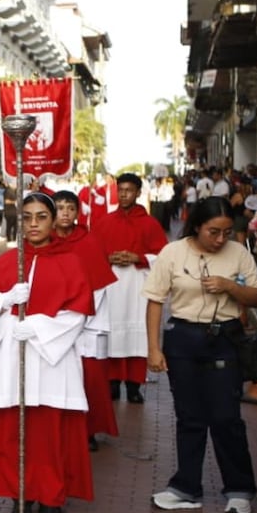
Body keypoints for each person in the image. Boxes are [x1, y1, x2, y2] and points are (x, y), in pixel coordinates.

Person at [0, 193, 94, 513]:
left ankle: (52, 499)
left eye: (41, 217)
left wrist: (37, 327)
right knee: (15, 430)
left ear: (54, 221)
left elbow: (78, 314)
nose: (34, 224)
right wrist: (5, 302)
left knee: (51, 433)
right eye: (27, 217)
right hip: (13, 356)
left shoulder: (70, 261)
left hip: (53, 360)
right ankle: (19, 496)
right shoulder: (5, 263)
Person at [144, 197, 257, 513]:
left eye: (226, 232)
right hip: (182, 338)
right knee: (189, 417)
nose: (220, 239)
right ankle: (186, 487)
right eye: (213, 232)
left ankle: (239, 488)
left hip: (224, 337)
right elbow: (155, 300)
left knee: (226, 416)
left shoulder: (238, 253)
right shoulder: (173, 252)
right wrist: (154, 348)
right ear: (197, 225)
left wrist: (229, 287)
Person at [92, 173, 168, 404]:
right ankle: (112, 382)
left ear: (138, 193)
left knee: (138, 334)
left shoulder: (150, 223)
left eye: (129, 190)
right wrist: (109, 257)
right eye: (121, 190)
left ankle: (135, 385)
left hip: (137, 283)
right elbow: (91, 252)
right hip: (111, 283)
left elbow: (164, 257)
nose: (124, 194)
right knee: (112, 332)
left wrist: (139, 257)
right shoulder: (104, 222)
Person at [52, 190, 119, 451]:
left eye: (70, 208)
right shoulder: (44, 241)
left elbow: (99, 283)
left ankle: (88, 429)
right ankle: (61, 428)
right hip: (54, 323)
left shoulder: (89, 241)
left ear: (78, 212)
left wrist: (77, 314)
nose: (66, 213)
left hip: (87, 322)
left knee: (89, 378)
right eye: (60, 208)